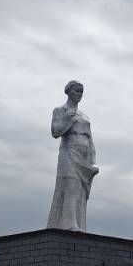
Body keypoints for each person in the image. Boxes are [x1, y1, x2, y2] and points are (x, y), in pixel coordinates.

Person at [47, 80, 99, 232]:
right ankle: (69, 224)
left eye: (81, 92)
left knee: (80, 191)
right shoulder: (60, 110)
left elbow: (90, 140)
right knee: (71, 186)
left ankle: (79, 224)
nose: (79, 94)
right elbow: (55, 132)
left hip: (83, 156)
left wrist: (92, 161)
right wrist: (67, 119)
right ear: (68, 91)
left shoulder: (85, 117)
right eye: (77, 91)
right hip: (68, 153)